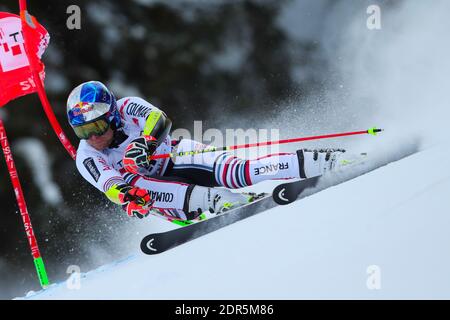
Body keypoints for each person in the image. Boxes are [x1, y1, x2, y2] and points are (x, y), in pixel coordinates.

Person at [67, 81, 343, 221]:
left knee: (241, 172)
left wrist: (147, 142)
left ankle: (319, 161)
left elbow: (159, 119)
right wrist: (127, 196)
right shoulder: (87, 156)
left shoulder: (127, 107)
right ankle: (217, 200)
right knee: (132, 180)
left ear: (113, 116)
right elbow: (110, 184)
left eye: (97, 127)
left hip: (176, 156)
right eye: (82, 132)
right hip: (169, 201)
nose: (92, 137)